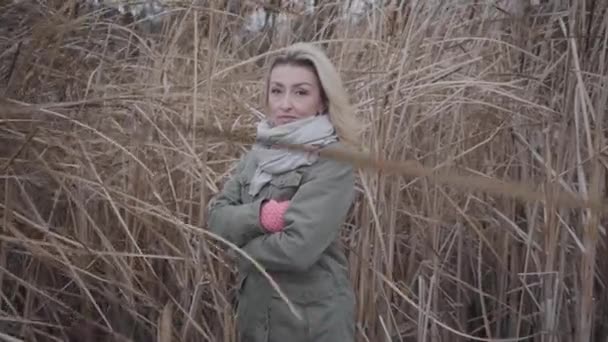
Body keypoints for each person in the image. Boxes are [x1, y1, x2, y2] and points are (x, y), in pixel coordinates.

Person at [207, 42, 361, 342]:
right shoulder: (260, 153)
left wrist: (237, 246)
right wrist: (264, 216)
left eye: (300, 92)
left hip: (309, 323)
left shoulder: (334, 159)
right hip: (256, 315)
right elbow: (216, 216)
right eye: (277, 91)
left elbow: (297, 250)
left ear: (322, 101)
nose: (285, 104)